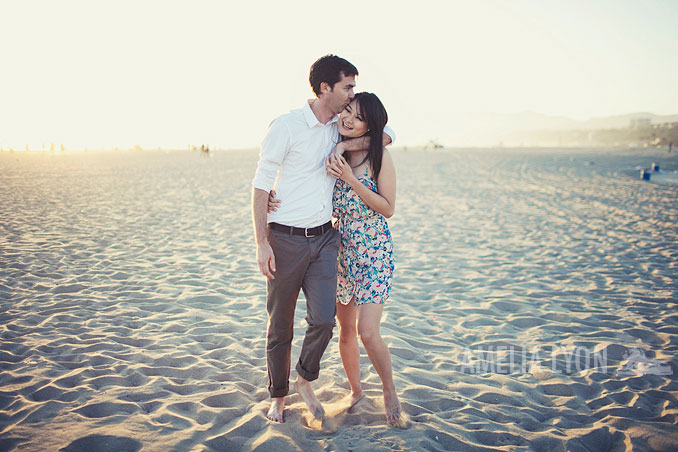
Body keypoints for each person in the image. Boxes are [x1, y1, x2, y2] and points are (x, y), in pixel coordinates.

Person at [251, 55, 394, 424]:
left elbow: (384, 135)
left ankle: (304, 379)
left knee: (323, 320)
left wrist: (345, 147)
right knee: (281, 325)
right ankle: (278, 398)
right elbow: (260, 184)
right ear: (325, 87)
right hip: (284, 239)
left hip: (326, 240)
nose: (352, 95)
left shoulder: (338, 128)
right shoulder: (286, 125)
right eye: (347, 86)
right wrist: (261, 241)